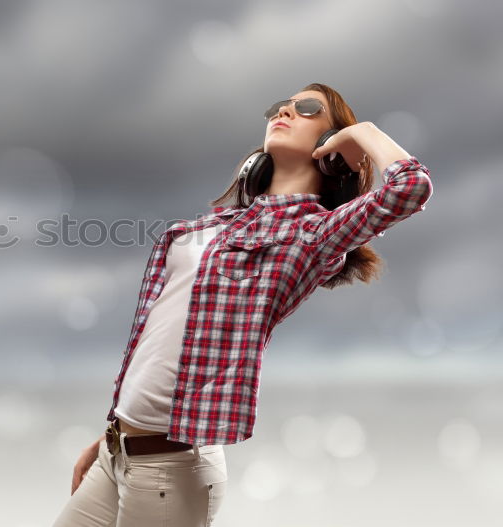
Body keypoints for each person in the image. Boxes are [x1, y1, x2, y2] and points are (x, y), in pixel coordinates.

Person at [52, 83, 433, 526]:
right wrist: (109, 437)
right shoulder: (221, 224)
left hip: (170, 470)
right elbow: (163, 344)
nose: (285, 111)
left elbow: (411, 187)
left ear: (332, 147)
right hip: (118, 453)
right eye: (281, 106)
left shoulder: (313, 235)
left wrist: (364, 133)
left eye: (307, 108)